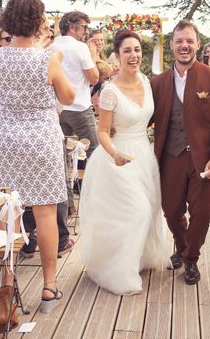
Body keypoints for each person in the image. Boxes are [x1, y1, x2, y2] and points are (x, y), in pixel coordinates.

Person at [0, 0, 74, 313]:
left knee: (11, 210)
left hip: (8, 140)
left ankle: (7, 283)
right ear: (37, 22)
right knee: (45, 212)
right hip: (42, 139)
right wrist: (58, 65)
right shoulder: (47, 59)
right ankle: (49, 285)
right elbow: (68, 94)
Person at [80, 30, 166, 295]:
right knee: (136, 210)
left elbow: (148, 117)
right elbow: (102, 131)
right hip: (116, 158)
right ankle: (119, 272)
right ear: (116, 56)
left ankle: (137, 259)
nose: (134, 55)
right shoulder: (110, 91)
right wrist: (115, 153)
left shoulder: (147, 82)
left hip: (144, 154)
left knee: (150, 209)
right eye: (127, 50)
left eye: (137, 49)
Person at [150, 20, 210, 285]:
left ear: (198, 43)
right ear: (172, 45)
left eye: (189, 41)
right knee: (171, 210)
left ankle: (191, 259)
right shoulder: (158, 82)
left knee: (203, 213)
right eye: (179, 41)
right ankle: (183, 246)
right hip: (170, 157)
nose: (184, 46)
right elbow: (146, 117)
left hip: (204, 158)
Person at [53, 11, 99, 231]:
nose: (85, 31)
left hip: (58, 110)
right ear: (72, 27)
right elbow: (94, 78)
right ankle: (96, 202)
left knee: (60, 159)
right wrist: (91, 53)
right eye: (83, 27)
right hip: (80, 108)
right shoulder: (80, 48)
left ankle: (68, 204)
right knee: (95, 155)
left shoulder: (51, 46)